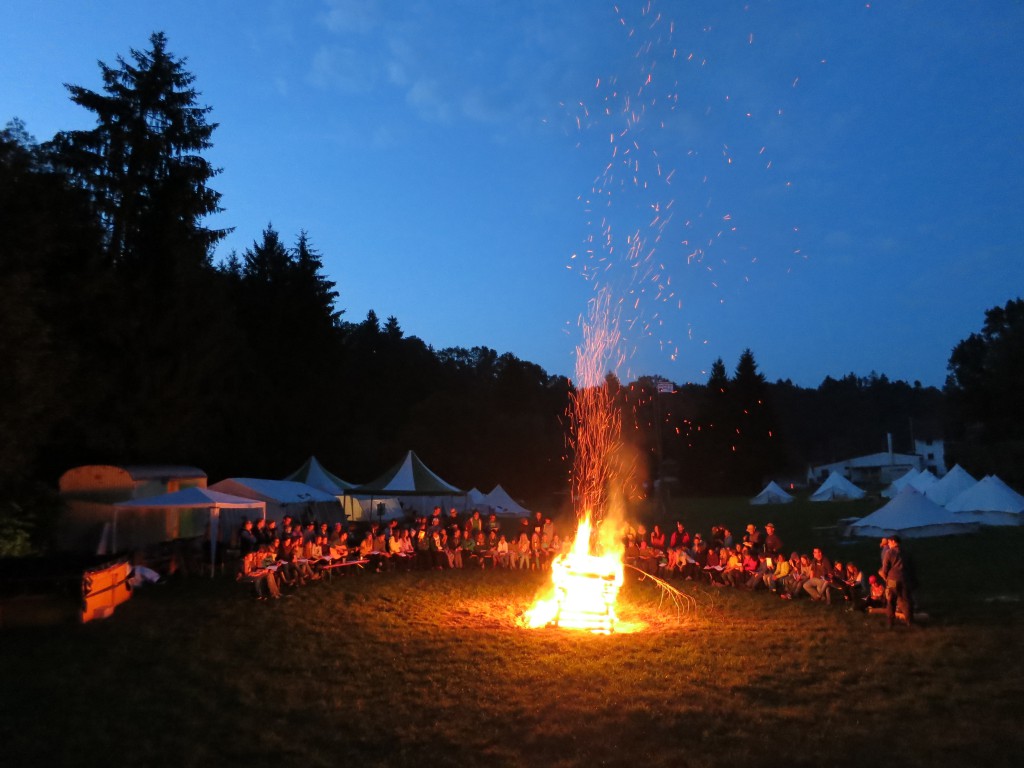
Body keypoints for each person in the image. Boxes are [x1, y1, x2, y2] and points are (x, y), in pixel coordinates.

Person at [880, 535, 915, 627]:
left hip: (892, 580)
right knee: (906, 600)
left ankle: (890, 623)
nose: (888, 544)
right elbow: (911, 567)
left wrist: (885, 577)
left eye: (889, 542)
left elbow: (885, 569)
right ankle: (909, 621)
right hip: (904, 579)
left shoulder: (889, 552)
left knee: (891, 600)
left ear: (893, 541)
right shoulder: (906, 553)